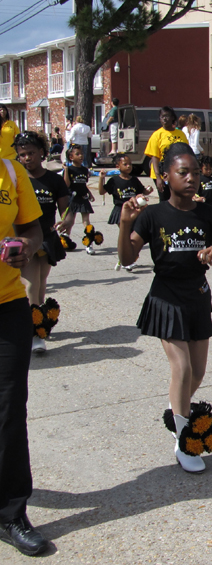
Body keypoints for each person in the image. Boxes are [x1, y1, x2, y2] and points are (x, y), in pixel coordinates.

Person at [117, 142, 212, 473]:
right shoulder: (152, 215)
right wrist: (124, 224)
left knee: (198, 372)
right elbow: (127, 258)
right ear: (165, 176)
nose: (191, 179)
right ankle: (184, 439)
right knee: (183, 367)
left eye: (195, 172)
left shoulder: (208, 213)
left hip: (198, 295)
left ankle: (178, 408)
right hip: (166, 296)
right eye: (182, 172)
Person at [0, 148, 47, 556]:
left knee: (10, 407)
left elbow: (34, 230)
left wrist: (24, 248)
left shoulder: (11, 173)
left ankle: (12, 514)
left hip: (7, 306)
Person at [15, 131, 69, 354]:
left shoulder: (54, 180)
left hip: (47, 238)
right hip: (25, 238)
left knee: (41, 282)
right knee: (30, 285)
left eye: (31, 153)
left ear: (42, 153)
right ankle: (36, 333)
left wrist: (66, 220)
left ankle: (40, 319)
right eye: (22, 155)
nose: (27, 158)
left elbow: (65, 208)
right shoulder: (17, 179)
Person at [99, 153, 152, 272]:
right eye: (125, 164)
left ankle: (127, 258)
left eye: (130, 164)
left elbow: (141, 191)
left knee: (133, 235)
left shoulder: (134, 179)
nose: (129, 166)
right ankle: (127, 261)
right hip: (120, 210)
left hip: (133, 210)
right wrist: (101, 178)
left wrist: (147, 191)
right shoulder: (114, 180)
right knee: (127, 234)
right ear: (118, 166)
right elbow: (102, 191)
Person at [144, 106, 188, 202]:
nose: (164, 118)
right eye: (162, 116)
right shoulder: (157, 135)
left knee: (177, 198)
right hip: (162, 172)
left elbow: (186, 153)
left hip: (177, 171)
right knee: (165, 199)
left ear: (173, 118)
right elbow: (155, 158)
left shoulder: (180, 134)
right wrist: (158, 178)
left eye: (167, 116)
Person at [61, 144, 98, 254]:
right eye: (77, 154)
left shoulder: (84, 170)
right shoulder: (69, 170)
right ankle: (65, 240)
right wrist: (66, 170)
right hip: (72, 198)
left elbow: (83, 184)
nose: (81, 156)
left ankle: (89, 242)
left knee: (86, 221)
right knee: (70, 221)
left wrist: (90, 194)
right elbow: (66, 185)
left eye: (82, 154)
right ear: (71, 157)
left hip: (83, 198)